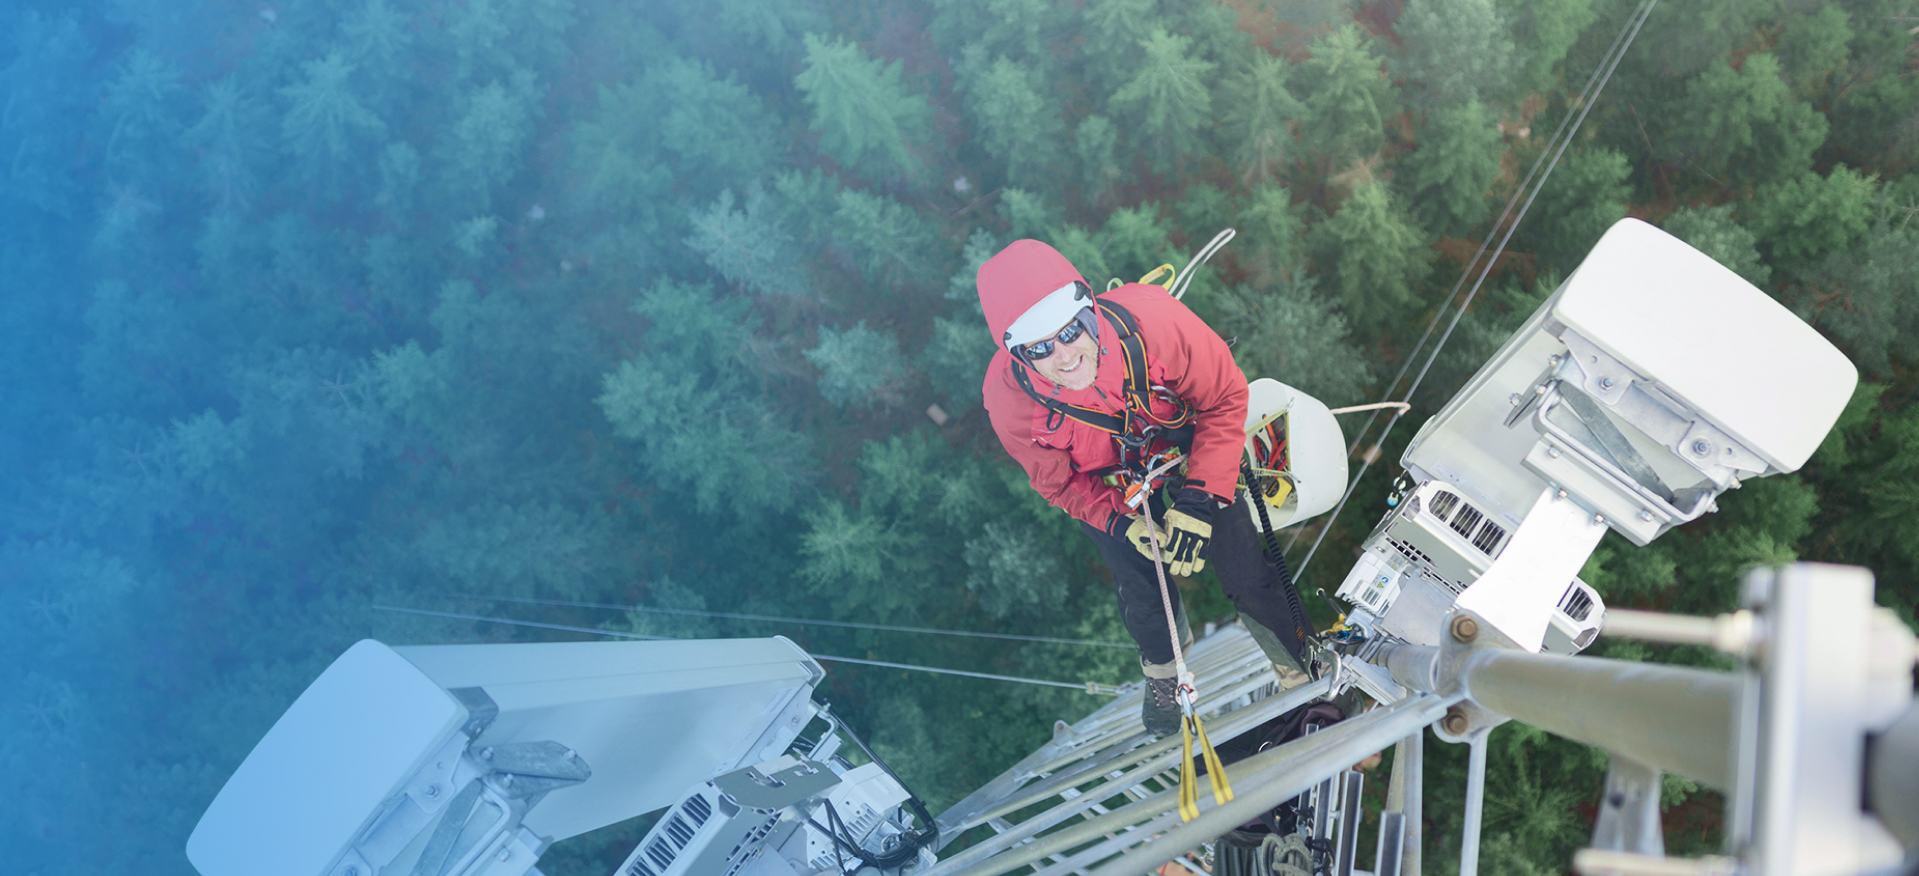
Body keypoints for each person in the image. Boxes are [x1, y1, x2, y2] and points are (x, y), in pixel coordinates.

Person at [976, 239, 1314, 736]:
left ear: (1090, 309)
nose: (1065, 356)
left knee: (1244, 566)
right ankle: (1165, 680)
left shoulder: (1154, 323)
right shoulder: (1010, 403)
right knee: (1140, 586)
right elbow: (1059, 484)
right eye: (1040, 348)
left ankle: (1298, 666)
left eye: (1071, 331)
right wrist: (1120, 522)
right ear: (1017, 354)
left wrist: (1198, 499)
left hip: (1186, 449)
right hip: (1109, 486)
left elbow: (1224, 397)